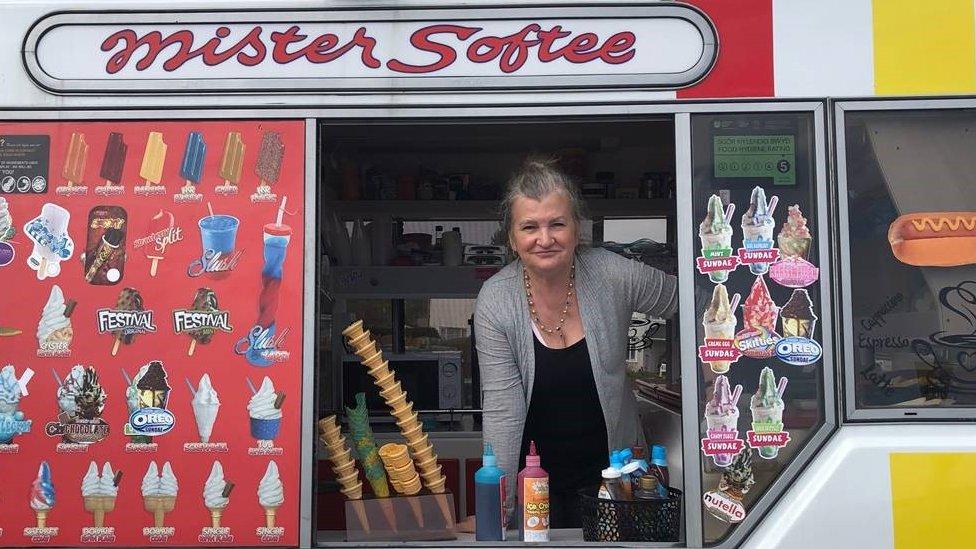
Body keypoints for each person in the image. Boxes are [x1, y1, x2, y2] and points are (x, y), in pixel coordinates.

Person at [473, 156, 678, 529]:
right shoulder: (496, 299)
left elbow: (696, 302)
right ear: (512, 239)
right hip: (533, 484)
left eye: (557, 224)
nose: (545, 239)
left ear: (577, 229)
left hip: (617, 479)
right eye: (529, 227)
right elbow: (503, 409)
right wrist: (499, 509)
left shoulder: (613, 275)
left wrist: (714, 373)